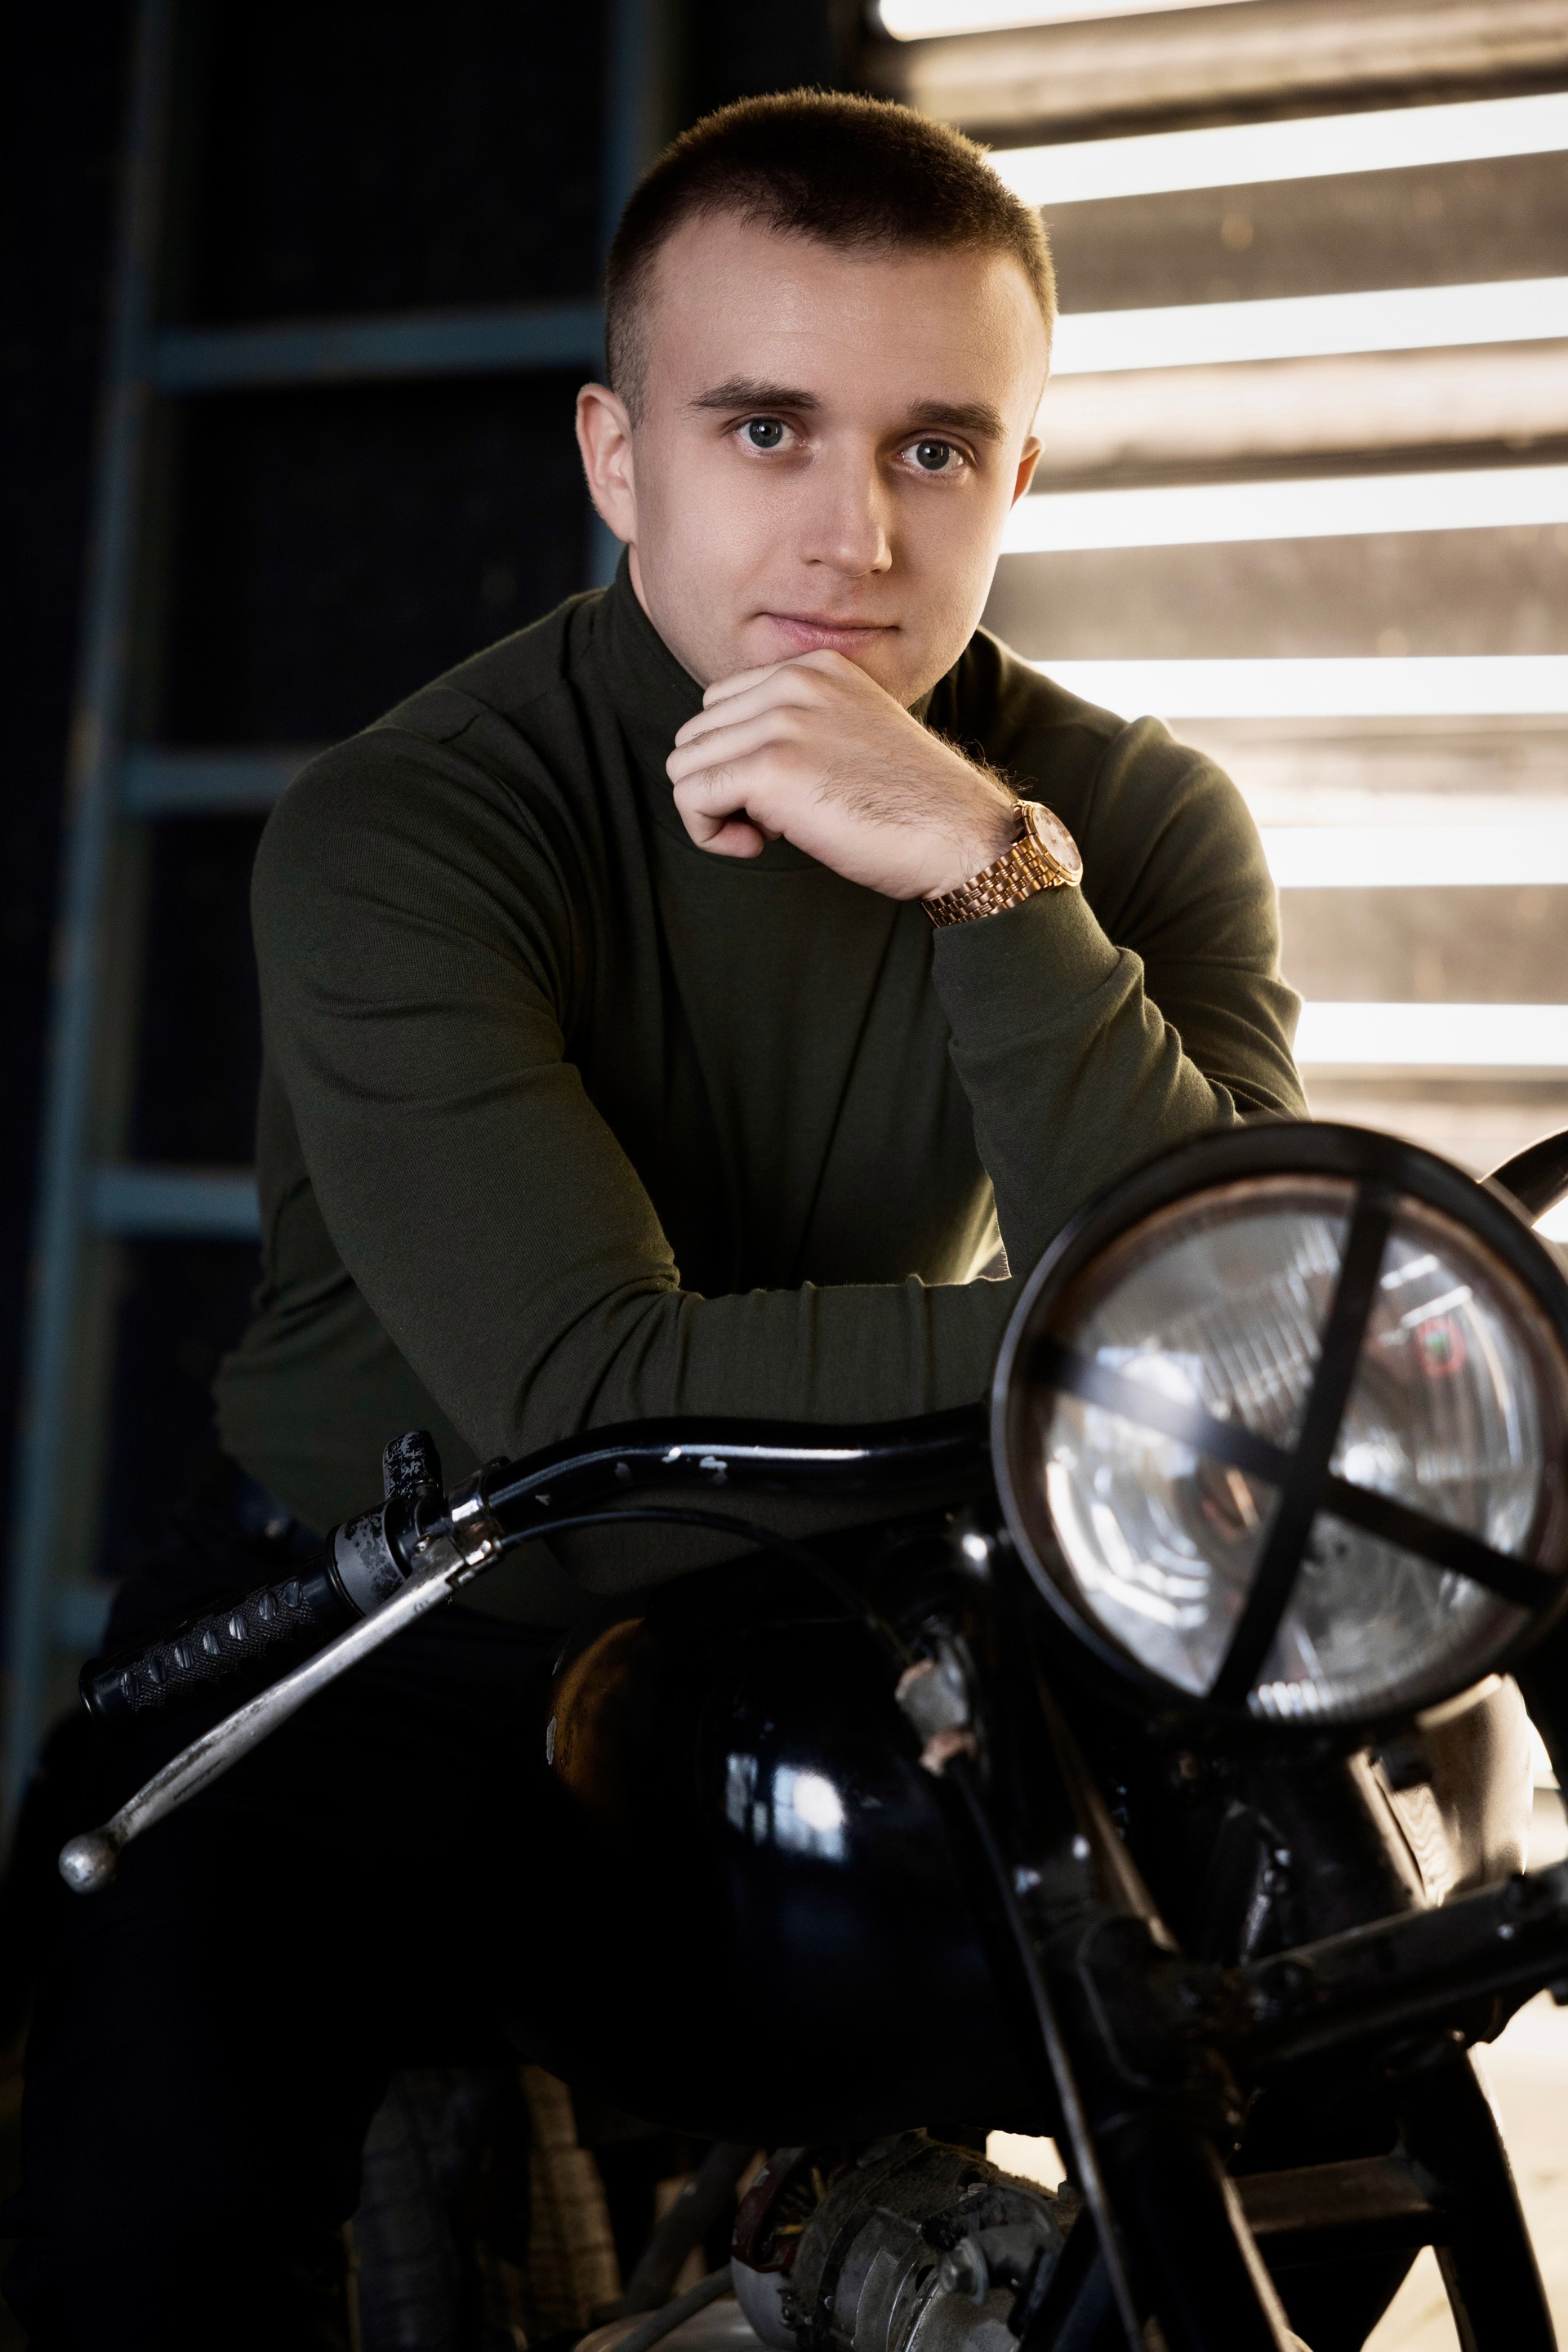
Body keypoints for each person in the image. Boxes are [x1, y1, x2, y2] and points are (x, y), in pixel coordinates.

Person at [6, 91, 1303, 2345]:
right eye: (766, 427)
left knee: (1315, 1976)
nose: (854, 536)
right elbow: (588, 1404)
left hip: (844, 1593)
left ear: (1017, 477)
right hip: (387, 1614)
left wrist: (996, 881)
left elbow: (1256, 1348)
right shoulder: (409, 824)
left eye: (931, 448)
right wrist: (1124, 1351)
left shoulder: (1128, 821)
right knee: (134, 2240)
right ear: (618, 458)